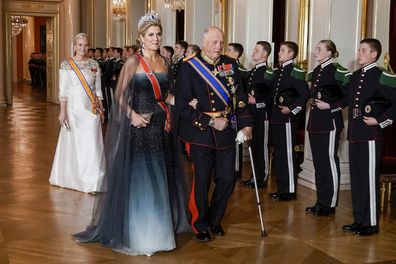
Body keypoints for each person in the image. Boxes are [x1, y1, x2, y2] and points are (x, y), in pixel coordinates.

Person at [73, 12, 190, 256]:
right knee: (142, 180)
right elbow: (118, 96)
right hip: (139, 127)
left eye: (158, 34)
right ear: (141, 38)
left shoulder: (165, 63)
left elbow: (166, 96)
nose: (156, 38)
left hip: (160, 126)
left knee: (160, 179)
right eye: (151, 35)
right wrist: (132, 115)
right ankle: (141, 235)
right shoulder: (133, 63)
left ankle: (160, 233)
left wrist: (188, 103)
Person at [175, 26, 253, 242]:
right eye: (214, 42)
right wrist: (210, 121)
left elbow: (240, 97)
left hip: (227, 129)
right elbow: (181, 104)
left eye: (221, 42)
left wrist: (246, 124)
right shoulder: (189, 67)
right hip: (200, 132)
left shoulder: (230, 64)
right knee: (202, 181)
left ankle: (214, 219)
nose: (218, 47)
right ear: (204, 42)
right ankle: (199, 223)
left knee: (227, 178)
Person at [342, 38, 396, 236]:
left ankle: (371, 223)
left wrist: (380, 121)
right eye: (359, 49)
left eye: (364, 50)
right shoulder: (356, 75)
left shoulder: (382, 76)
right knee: (357, 179)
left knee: (369, 179)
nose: (359, 53)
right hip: (355, 133)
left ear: (374, 54)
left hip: (372, 135)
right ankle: (359, 220)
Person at [49, 33, 105, 193]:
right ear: (74, 46)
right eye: (80, 45)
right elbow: (63, 91)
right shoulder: (66, 65)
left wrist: (101, 109)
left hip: (91, 109)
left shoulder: (94, 64)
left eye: (86, 45)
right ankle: (74, 178)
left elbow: (98, 89)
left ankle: (93, 181)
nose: (83, 48)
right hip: (73, 110)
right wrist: (62, 112)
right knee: (76, 144)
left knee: (92, 143)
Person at [305, 40, 350, 216]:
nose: (315, 52)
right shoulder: (316, 71)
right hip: (315, 122)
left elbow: (348, 96)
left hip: (330, 123)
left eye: (319, 49)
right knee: (319, 163)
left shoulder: (338, 71)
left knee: (329, 162)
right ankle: (321, 201)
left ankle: (330, 204)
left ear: (330, 53)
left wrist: (331, 107)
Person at [268, 41, 309, 201]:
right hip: (276, 117)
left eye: (282, 50)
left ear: (291, 54)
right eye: (279, 50)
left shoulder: (295, 71)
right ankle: (282, 188)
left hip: (287, 118)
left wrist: (292, 109)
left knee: (287, 154)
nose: (279, 53)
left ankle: (290, 190)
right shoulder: (279, 71)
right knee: (279, 154)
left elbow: (305, 94)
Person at [242, 41, 273, 189]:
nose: (253, 52)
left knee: (261, 148)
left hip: (262, 115)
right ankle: (254, 175)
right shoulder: (253, 71)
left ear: (265, 54)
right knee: (254, 147)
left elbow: (271, 96)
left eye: (257, 50)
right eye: (254, 49)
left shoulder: (268, 73)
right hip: (251, 115)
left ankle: (262, 178)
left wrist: (257, 101)